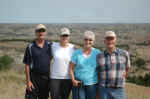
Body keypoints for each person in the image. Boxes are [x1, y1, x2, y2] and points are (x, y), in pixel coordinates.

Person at [97, 31, 130, 99]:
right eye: (108, 39)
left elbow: (127, 68)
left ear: (115, 40)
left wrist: (122, 78)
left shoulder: (124, 54)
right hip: (104, 90)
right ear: (104, 41)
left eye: (112, 39)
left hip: (119, 90)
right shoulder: (99, 56)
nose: (110, 41)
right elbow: (98, 73)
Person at [23, 24, 52, 99]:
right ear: (35, 33)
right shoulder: (30, 46)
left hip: (46, 79)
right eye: (39, 31)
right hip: (34, 78)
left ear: (45, 33)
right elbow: (27, 65)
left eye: (43, 31)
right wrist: (28, 81)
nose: (41, 33)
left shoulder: (49, 45)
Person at [69, 31, 100, 99]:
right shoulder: (77, 53)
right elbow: (71, 68)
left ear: (93, 41)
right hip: (79, 84)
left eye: (90, 40)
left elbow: (99, 69)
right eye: (86, 39)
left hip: (92, 85)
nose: (88, 41)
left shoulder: (97, 53)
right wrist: (73, 80)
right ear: (83, 40)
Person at [49, 27, 75, 99]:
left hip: (67, 78)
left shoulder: (73, 48)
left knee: (65, 97)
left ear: (69, 37)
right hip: (54, 78)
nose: (64, 37)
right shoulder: (53, 46)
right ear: (60, 36)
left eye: (66, 35)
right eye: (63, 35)